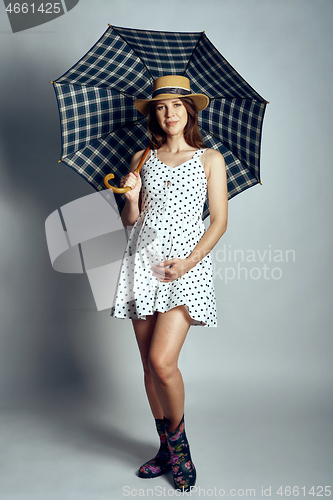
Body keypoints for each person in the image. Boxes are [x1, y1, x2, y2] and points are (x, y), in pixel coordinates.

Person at [110, 75, 228, 491]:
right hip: (141, 263)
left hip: (185, 268)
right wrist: (129, 198)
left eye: (177, 106)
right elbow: (131, 221)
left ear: (189, 111)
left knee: (163, 363)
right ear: (155, 114)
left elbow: (219, 221)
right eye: (161, 107)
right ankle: (164, 449)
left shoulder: (210, 159)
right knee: (147, 366)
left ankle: (181, 450)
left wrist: (189, 263)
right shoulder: (142, 156)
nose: (169, 113)